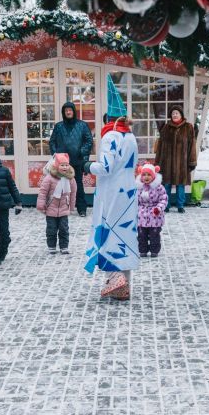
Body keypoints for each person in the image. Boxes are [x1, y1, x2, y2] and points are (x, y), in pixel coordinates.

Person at [84, 113, 139, 301]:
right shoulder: (131, 137)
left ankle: (114, 278)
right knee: (125, 235)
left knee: (108, 231)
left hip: (112, 192)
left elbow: (106, 167)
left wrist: (88, 166)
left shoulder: (110, 136)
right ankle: (125, 286)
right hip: (129, 192)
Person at [48, 101, 93, 216]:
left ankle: (81, 209)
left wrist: (82, 151)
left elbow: (88, 141)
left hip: (77, 160)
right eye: (66, 110)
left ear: (74, 111)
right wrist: (56, 155)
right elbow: (52, 141)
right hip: (62, 162)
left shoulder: (82, 125)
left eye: (70, 110)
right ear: (64, 112)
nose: (68, 112)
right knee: (59, 185)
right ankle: (60, 209)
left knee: (77, 185)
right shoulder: (58, 126)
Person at [153, 104, 197, 213]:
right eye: (173, 113)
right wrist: (158, 162)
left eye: (177, 113)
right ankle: (166, 205)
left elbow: (192, 145)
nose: (175, 115)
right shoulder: (166, 128)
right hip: (167, 162)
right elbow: (160, 147)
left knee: (180, 185)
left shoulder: (188, 127)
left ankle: (180, 205)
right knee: (166, 184)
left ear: (181, 115)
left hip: (182, 163)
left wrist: (192, 161)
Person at [36, 153, 77, 254]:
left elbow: (73, 193)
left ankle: (64, 246)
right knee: (51, 229)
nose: (64, 167)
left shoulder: (70, 179)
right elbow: (43, 192)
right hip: (51, 208)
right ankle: (52, 246)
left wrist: (71, 206)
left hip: (63, 208)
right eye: (62, 165)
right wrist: (41, 205)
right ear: (56, 165)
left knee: (64, 229)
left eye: (66, 165)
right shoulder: (49, 178)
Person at [136, 163, 168, 258]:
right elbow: (134, 200)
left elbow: (163, 199)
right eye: (144, 174)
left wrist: (158, 208)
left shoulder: (158, 187)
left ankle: (154, 250)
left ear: (153, 176)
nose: (146, 177)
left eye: (149, 175)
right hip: (141, 215)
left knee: (154, 235)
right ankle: (143, 250)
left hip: (155, 215)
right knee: (142, 235)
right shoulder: (138, 187)